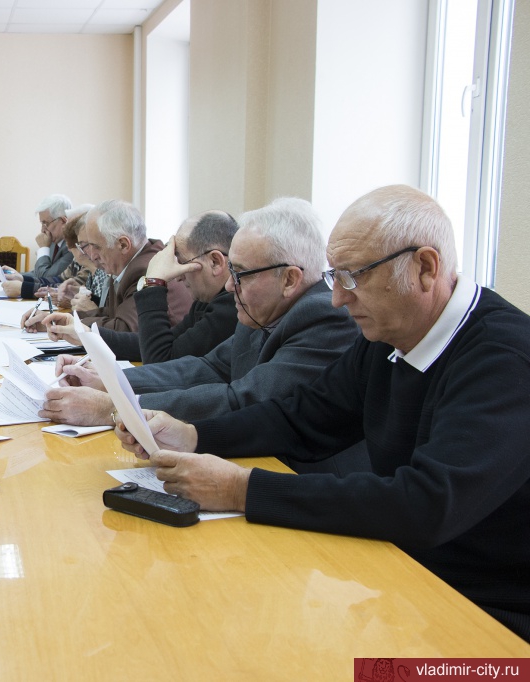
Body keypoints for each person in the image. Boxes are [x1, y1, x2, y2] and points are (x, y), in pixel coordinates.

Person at [117, 185, 530, 642]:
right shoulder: (391, 335)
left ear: (425, 268)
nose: (337, 299)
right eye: (338, 276)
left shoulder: (503, 357)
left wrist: (242, 489)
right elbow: (305, 417)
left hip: (490, 618)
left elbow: (428, 504)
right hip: (405, 580)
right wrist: (196, 435)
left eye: (355, 277)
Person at [42, 198, 365, 476]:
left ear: (290, 279)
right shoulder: (265, 307)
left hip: (302, 475)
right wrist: (112, 380)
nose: (228, 285)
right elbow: (207, 367)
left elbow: (243, 400)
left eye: (239, 273)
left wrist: (115, 407)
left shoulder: (325, 316)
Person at [27, 210, 240, 363]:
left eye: (181, 260)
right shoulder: (207, 301)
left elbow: (160, 359)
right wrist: (85, 334)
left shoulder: (230, 306)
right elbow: (148, 346)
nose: (179, 276)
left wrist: (153, 283)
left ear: (215, 262)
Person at [23, 199, 193, 332]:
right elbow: (111, 314)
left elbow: (125, 328)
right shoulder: (127, 263)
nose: (91, 255)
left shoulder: (145, 269)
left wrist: (69, 324)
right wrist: (56, 320)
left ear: (123, 245)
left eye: (96, 246)